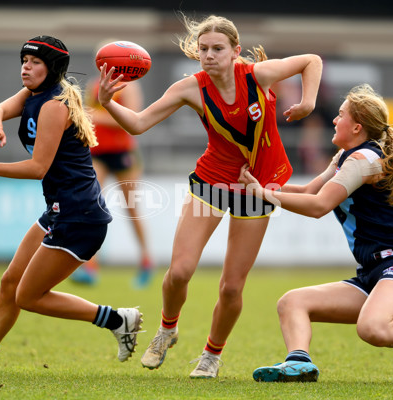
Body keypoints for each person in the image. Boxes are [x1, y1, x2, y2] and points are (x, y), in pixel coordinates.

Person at [97, 14, 322, 378]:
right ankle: (167, 329)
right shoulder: (190, 87)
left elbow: (312, 60)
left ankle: (211, 356)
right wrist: (108, 102)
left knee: (232, 287)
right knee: (180, 271)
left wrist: (308, 102)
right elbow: (138, 124)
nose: (209, 55)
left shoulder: (257, 75)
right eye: (203, 49)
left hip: (258, 187)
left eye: (218, 49)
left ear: (236, 51)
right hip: (213, 181)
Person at [239, 84, 393, 384]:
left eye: (340, 115)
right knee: (292, 302)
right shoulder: (346, 155)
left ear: (357, 126)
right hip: (375, 272)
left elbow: (318, 206)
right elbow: (306, 190)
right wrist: (256, 185)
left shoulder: (364, 160)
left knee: (372, 329)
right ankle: (298, 364)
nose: (333, 120)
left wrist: (263, 194)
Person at [0, 35, 142, 373]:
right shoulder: (33, 94)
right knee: (9, 283)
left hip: (80, 216)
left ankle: (117, 319)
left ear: (53, 68)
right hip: (59, 209)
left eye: (34, 63)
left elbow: (37, 168)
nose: (26, 68)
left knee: (27, 296)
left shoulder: (55, 105)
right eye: (23, 62)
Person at [70, 75, 155, 289]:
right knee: (91, 205)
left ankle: (146, 261)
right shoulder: (94, 84)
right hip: (98, 152)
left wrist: (95, 115)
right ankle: (89, 266)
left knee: (132, 208)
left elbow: (132, 119)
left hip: (123, 152)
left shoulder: (130, 86)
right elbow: (88, 118)